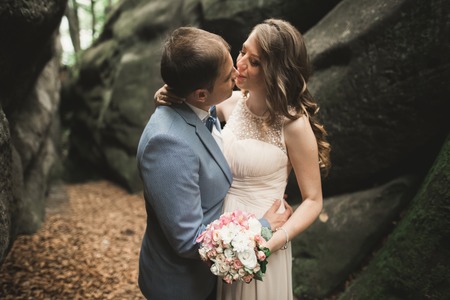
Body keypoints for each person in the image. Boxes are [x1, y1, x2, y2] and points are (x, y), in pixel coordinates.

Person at [156, 19, 331, 300]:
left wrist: (270, 243)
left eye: (256, 62)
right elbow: (193, 100)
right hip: (219, 233)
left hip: (264, 238)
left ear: (277, 71)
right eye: (242, 51)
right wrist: (169, 91)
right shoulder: (230, 104)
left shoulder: (294, 125)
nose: (240, 64)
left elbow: (313, 200)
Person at [136, 26, 292, 300]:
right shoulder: (167, 145)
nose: (237, 74)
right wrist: (262, 227)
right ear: (200, 94)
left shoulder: (200, 104)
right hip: (184, 286)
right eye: (227, 77)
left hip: (216, 276)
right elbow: (189, 241)